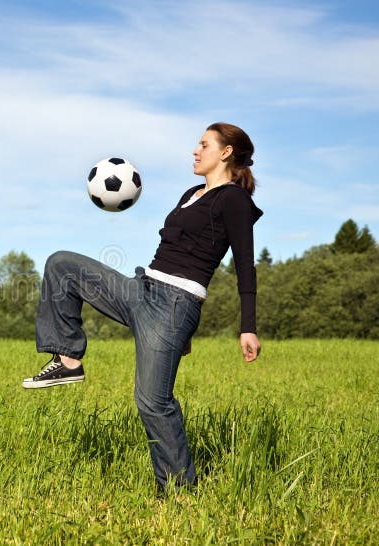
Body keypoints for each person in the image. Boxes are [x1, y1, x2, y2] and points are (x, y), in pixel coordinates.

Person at [22, 122, 264, 492]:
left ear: (226, 152)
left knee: (152, 402)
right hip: (141, 288)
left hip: (172, 306)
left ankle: (180, 493)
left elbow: (245, 265)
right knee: (62, 265)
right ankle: (68, 360)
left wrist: (248, 326)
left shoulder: (233, 200)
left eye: (204, 145)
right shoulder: (192, 193)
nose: (195, 151)